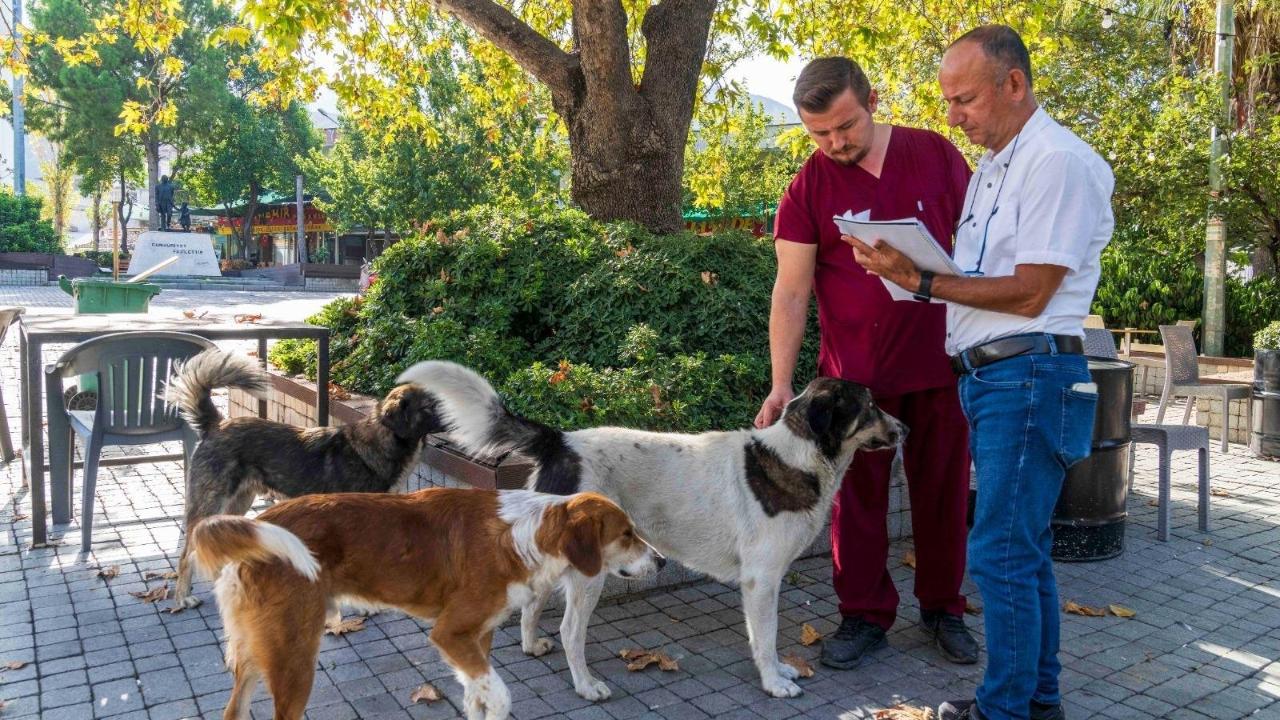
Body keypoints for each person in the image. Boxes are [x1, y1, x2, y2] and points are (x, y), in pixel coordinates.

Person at [844, 26, 1114, 720]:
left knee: (996, 555)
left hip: (1028, 378)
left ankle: (1003, 711)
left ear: (1014, 85)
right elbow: (988, 278)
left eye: (964, 99)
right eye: (947, 101)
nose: (953, 116)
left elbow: (1030, 291)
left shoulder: (1054, 161)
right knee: (1020, 554)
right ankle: (1036, 704)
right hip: (999, 379)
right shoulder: (997, 166)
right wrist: (914, 271)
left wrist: (923, 282)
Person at [754, 56, 978, 671]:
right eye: (819, 133)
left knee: (943, 492)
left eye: (845, 126)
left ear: (871, 99)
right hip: (853, 386)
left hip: (941, 364)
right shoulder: (808, 187)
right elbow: (791, 293)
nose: (835, 143)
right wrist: (781, 385)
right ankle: (862, 615)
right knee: (854, 502)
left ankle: (944, 609)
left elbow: (982, 246)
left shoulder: (935, 154)